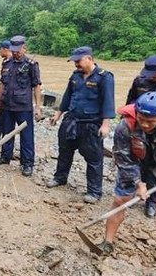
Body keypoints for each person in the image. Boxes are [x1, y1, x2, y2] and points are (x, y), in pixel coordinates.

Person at [98, 92, 156, 256]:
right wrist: (139, 183)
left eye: (150, 121)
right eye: (141, 119)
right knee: (120, 201)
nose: (145, 124)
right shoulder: (125, 126)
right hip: (134, 162)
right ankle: (107, 242)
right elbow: (123, 158)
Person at [47, 46, 115, 203]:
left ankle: (94, 191)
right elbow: (67, 96)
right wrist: (58, 114)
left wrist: (105, 124)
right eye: (74, 61)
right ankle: (60, 178)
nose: (76, 64)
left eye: (78, 61)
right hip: (71, 121)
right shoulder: (75, 76)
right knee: (64, 151)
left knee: (93, 158)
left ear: (89, 59)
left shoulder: (104, 77)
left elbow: (108, 102)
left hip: (91, 124)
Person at [125, 55, 156, 217]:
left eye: (154, 72)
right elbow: (130, 101)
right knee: (139, 160)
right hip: (140, 130)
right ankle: (135, 191)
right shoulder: (140, 81)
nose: (150, 75)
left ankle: (151, 203)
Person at [0, 35, 41, 177]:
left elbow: (36, 86)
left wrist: (38, 107)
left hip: (23, 106)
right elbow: (2, 84)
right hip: (7, 104)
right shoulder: (7, 63)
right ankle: (5, 156)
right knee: (6, 132)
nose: (15, 53)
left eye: (18, 50)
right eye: (13, 50)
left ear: (24, 48)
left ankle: (27, 163)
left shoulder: (32, 65)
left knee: (26, 136)